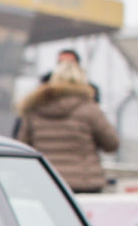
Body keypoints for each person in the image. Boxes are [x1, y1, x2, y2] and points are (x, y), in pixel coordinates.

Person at [16, 56, 119, 193]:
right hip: (85, 182)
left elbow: (23, 146)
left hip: (47, 180)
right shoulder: (90, 109)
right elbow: (111, 144)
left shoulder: (34, 108)